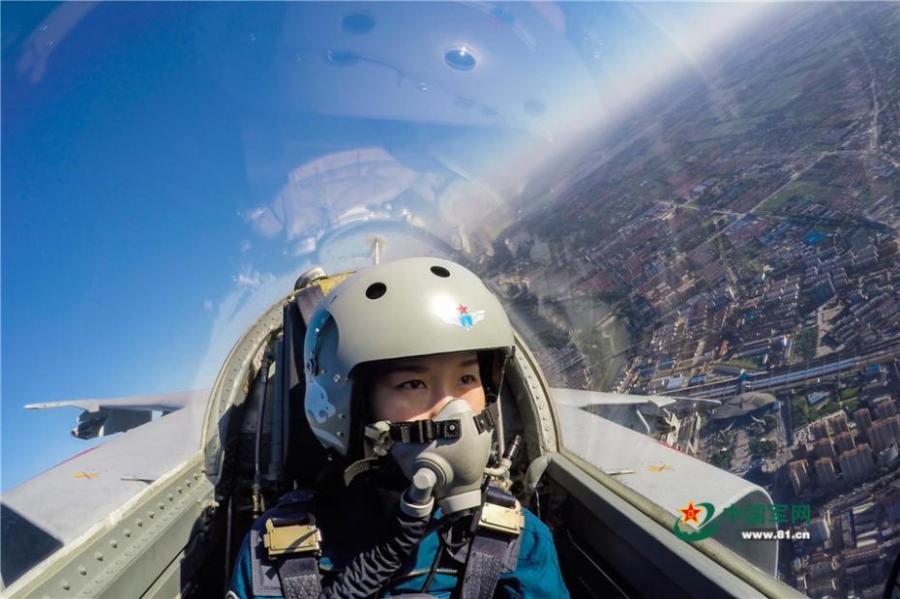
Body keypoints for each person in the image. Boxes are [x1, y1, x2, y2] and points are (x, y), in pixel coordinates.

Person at [228, 257, 569, 598]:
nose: (453, 411)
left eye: (467, 378)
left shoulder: (520, 543)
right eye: (413, 384)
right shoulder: (276, 552)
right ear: (353, 407)